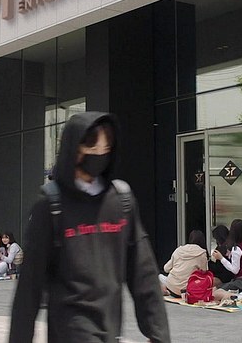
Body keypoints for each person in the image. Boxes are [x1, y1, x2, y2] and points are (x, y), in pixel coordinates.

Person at [9, 112, 170, 343]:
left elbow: (143, 274)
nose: (99, 154)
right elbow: (29, 285)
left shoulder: (121, 201)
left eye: (106, 148)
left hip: (111, 327)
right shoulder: (51, 204)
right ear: (73, 149)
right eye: (92, 147)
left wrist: (158, 334)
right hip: (69, 328)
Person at [211, 219, 242, 304]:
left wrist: (221, 258)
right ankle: (238, 295)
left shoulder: (236, 248)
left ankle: (240, 297)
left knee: (214, 294)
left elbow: (235, 270)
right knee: (216, 289)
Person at [159, 230, 207, 297]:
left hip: (172, 288)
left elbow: (166, 269)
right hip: (188, 290)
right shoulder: (202, 253)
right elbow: (204, 272)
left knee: (159, 276)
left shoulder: (179, 250)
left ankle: (164, 290)